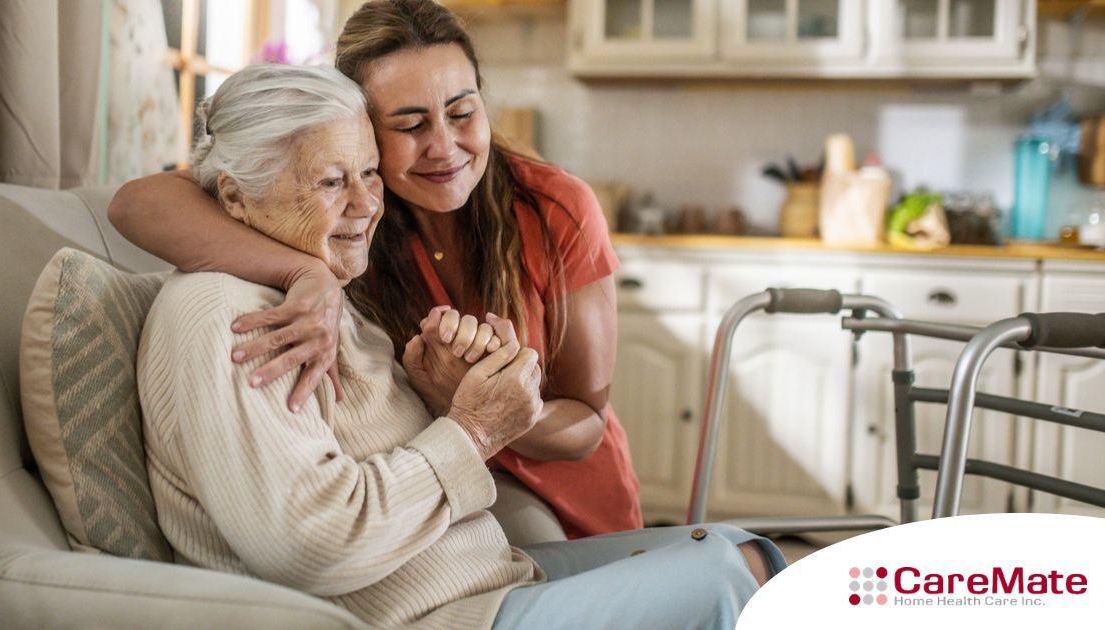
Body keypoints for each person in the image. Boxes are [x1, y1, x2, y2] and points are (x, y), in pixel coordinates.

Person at [138, 62, 784, 630]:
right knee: (727, 579)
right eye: (331, 182)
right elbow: (313, 542)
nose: (368, 204)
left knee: (743, 549)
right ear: (233, 196)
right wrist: (471, 429)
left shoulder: (318, 287)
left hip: (487, 580)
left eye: (368, 173)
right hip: (443, 617)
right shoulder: (229, 318)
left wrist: (442, 392)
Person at [110, 0, 639, 542]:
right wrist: (305, 274)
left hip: (573, 502)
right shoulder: (351, 219)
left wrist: (490, 408)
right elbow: (136, 204)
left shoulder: (555, 207)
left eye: (462, 113)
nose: (444, 147)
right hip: (441, 495)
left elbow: (588, 424)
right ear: (361, 127)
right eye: (409, 124)